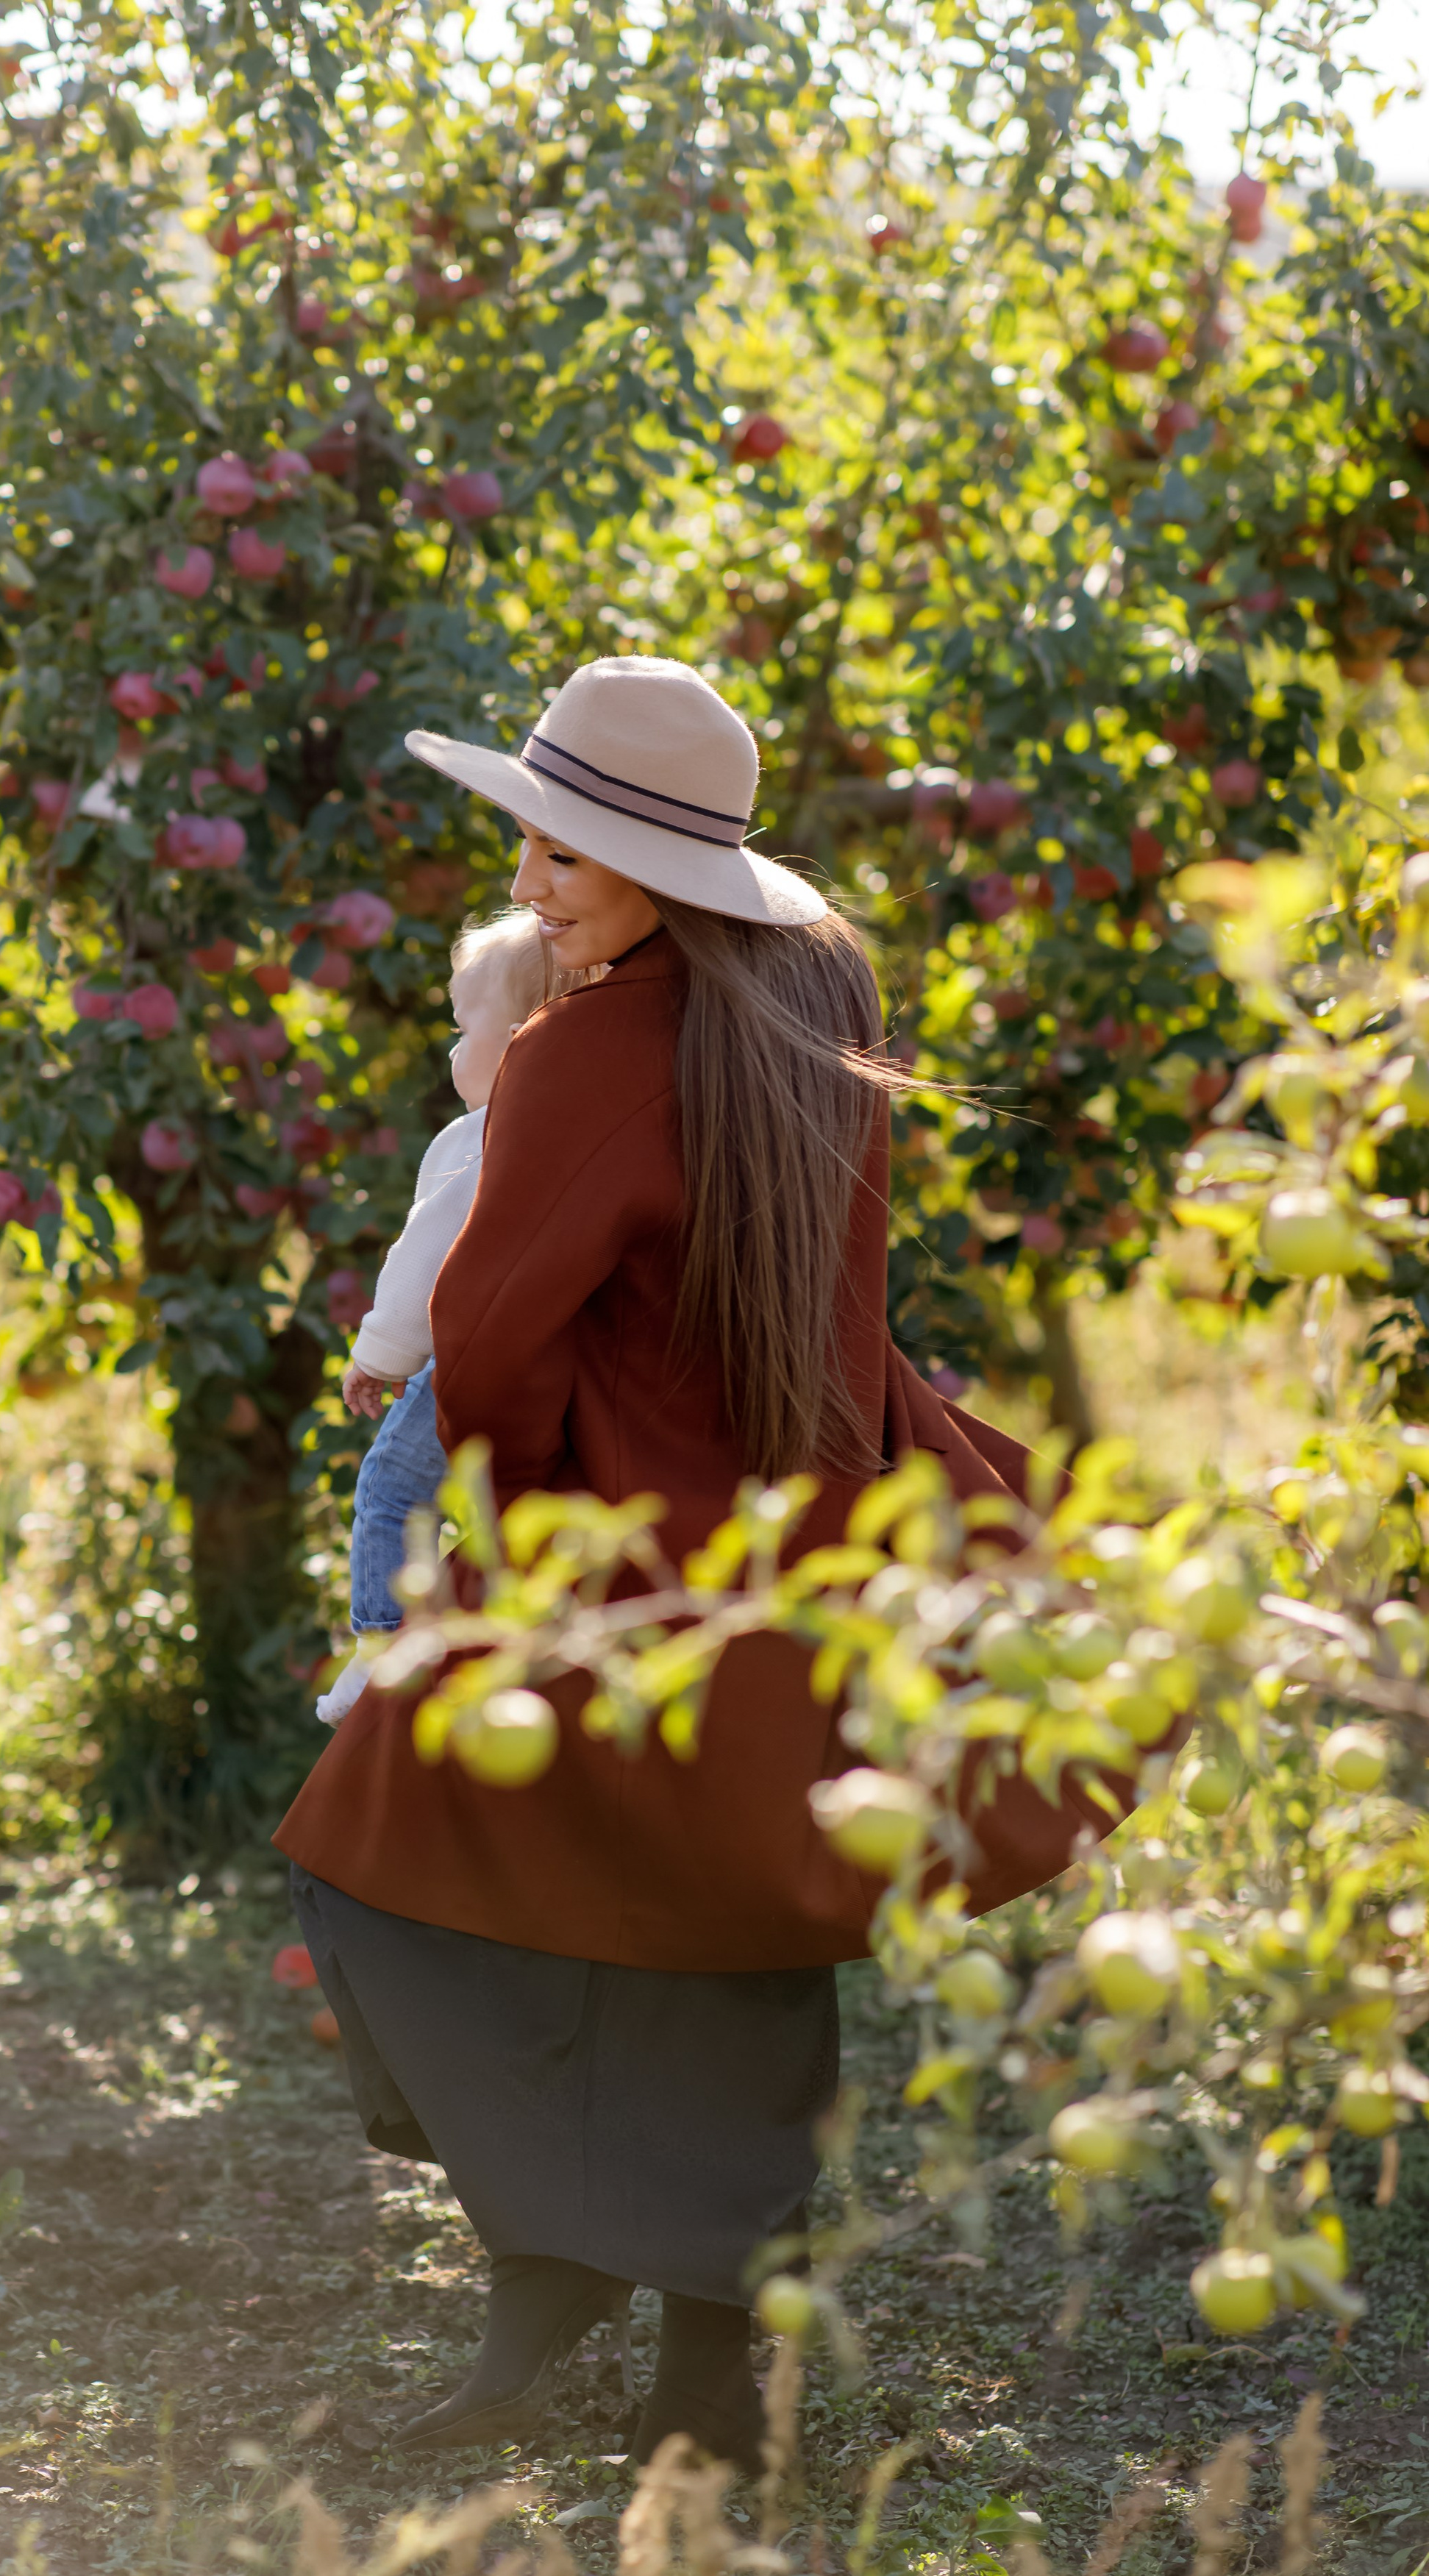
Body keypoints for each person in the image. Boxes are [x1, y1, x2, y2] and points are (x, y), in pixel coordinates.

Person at [276, 656, 1103, 2473]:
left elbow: (489, 1339)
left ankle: (556, 2258)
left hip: (620, 1554)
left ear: (654, 866)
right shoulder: (805, 1023)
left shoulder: (579, 1052)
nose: (525, 887)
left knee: (379, 1852)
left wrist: (504, 1524)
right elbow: (840, 1308)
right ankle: (690, 2372)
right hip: (806, 1549)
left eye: (558, 858)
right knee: (732, 1926)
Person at [318, 911, 557, 1729]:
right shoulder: (566, 1125)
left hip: (464, 1355)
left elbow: (427, 1263)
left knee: (392, 1487)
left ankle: (382, 1654)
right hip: (542, 1359)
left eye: (464, 1030)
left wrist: (379, 1355)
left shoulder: (483, 1139)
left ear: (524, 1037)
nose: (452, 1052)